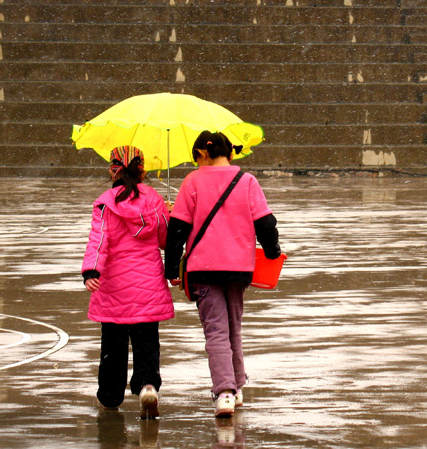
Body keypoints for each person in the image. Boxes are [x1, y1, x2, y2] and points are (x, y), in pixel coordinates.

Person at [164, 131, 281, 418]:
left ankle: (224, 391)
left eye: (196, 159)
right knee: (233, 328)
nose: (195, 165)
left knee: (215, 330)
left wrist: (171, 268)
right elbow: (265, 222)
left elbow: (177, 229)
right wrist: (272, 251)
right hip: (239, 268)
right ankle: (237, 387)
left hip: (203, 269)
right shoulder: (247, 181)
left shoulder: (192, 182)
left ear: (204, 153)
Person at [82, 145, 174, 419]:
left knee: (113, 345)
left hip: (113, 288)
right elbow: (164, 241)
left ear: (114, 170)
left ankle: (110, 396)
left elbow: (99, 240)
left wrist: (91, 271)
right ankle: (147, 386)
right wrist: (167, 215)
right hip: (148, 286)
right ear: (141, 169)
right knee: (147, 343)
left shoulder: (105, 202)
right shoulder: (154, 199)